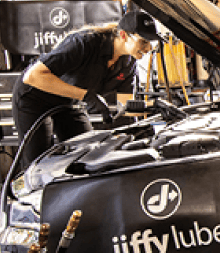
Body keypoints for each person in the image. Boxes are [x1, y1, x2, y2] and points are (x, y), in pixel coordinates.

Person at [12, 10, 162, 168]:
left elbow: (127, 108)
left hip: (69, 101)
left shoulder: (128, 64)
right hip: (35, 97)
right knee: (38, 163)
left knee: (88, 154)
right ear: (124, 35)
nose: (148, 49)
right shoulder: (84, 43)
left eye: (151, 44)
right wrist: (88, 96)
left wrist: (137, 137)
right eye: (144, 42)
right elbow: (32, 76)